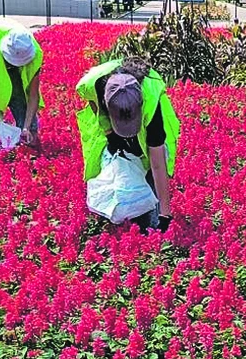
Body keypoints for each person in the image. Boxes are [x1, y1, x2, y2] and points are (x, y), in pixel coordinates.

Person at [76, 57, 181, 232]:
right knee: (116, 170)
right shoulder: (94, 84)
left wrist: (165, 214)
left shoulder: (152, 106)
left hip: (153, 131)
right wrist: (110, 133)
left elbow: (157, 165)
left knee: (151, 219)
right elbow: (93, 101)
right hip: (111, 118)